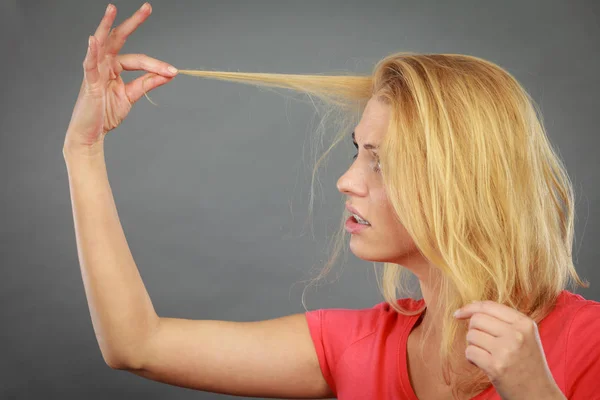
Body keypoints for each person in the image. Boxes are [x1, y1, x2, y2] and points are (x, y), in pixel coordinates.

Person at [63, 3, 600, 400]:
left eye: (380, 161)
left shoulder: (589, 344)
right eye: (357, 153)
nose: (346, 181)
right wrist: (82, 149)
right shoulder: (357, 345)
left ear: (462, 182)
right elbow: (138, 345)